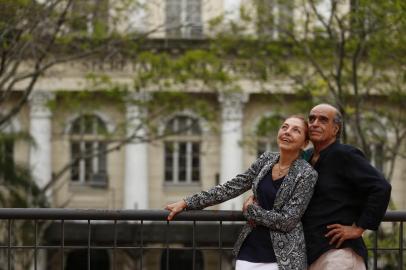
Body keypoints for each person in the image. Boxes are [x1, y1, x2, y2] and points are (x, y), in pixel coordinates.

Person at [166, 115, 318, 270]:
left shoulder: (307, 174)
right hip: (249, 250)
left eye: (296, 130)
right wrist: (187, 202)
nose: (287, 132)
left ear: (305, 143)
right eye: (284, 127)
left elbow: (287, 221)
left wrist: (251, 210)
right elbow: (230, 187)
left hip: (284, 257)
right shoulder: (266, 159)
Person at [302, 104, 392, 270]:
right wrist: (254, 197)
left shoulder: (345, 154)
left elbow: (381, 187)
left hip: (339, 255)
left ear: (335, 129)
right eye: (312, 118)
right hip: (310, 254)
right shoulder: (305, 159)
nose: (314, 123)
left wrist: (359, 228)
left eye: (323, 120)